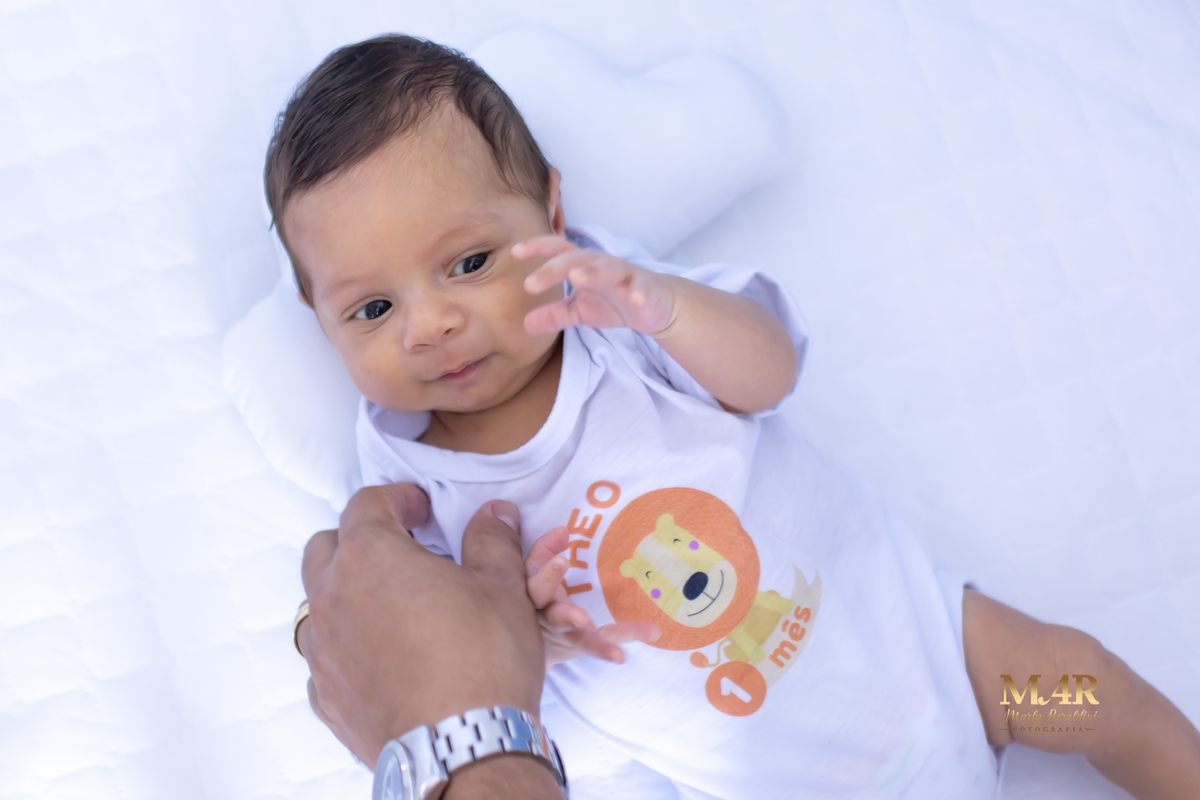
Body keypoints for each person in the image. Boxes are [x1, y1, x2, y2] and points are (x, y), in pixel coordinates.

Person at [276, 34, 1200, 799]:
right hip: (767, 774)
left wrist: (666, 309)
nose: (431, 324)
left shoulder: (615, 319)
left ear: (551, 211)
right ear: (320, 323)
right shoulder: (408, 496)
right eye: (372, 309)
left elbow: (768, 376)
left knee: (1085, 688)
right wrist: (541, 638)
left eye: (470, 262)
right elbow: (467, 666)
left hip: (941, 658)